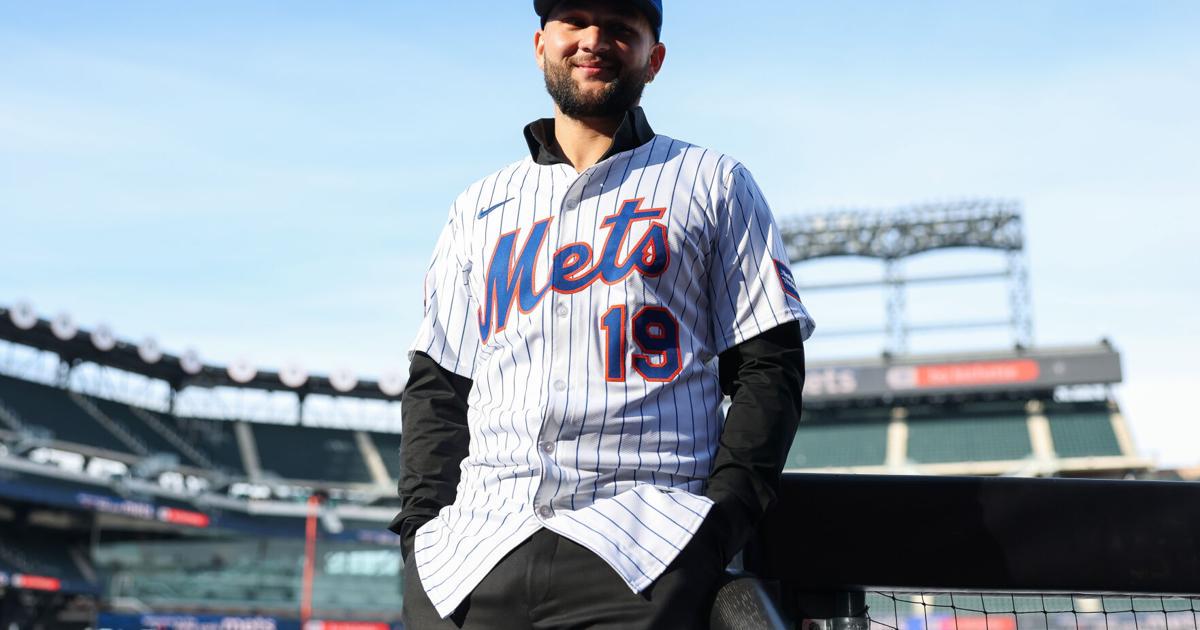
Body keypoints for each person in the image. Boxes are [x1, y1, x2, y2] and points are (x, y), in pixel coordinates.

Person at [389, 1, 815, 627]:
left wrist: (718, 527)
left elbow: (768, 368)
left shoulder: (713, 181)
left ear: (654, 59)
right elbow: (440, 383)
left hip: (643, 546)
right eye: (576, 23)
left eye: (620, 29)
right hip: (472, 557)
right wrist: (420, 534)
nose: (594, 41)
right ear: (541, 44)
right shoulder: (476, 206)